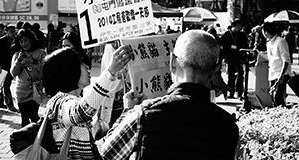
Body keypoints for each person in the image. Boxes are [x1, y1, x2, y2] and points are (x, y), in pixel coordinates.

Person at [98, 30, 239, 160]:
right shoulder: (229, 127)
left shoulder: (144, 115)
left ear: (172, 62)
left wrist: (127, 111)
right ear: (213, 71)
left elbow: (105, 155)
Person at [43, 46, 132, 159]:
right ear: (68, 70)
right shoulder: (58, 103)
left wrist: (128, 110)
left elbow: (94, 150)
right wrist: (110, 72)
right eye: (80, 63)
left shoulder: (72, 101)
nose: (87, 67)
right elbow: (81, 112)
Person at [10, 28, 46, 127]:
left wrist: (34, 62)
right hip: (21, 91)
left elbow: (45, 71)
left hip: (35, 91)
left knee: (33, 116)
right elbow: (13, 73)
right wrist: (19, 62)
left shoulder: (41, 53)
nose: (23, 44)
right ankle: (25, 141)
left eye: (25, 40)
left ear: (31, 40)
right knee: (24, 118)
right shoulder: (17, 55)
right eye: (21, 41)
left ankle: (38, 138)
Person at [262, 22, 292, 107]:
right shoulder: (268, 43)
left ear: (265, 32)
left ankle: (282, 114)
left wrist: (281, 76)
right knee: (272, 97)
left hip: (281, 72)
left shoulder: (281, 41)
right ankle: (277, 115)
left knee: (277, 97)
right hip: (273, 72)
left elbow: (286, 60)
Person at [220, 19, 248, 98]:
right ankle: (230, 92)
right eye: (238, 26)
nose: (239, 28)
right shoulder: (227, 34)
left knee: (240, 74)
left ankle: (239, 92)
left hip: (239, 57)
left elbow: (245, 45)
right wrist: (224, 57)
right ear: (233, 26)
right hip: (230, 57)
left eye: (240, 26)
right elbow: (223, 45)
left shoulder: (242, 34)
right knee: (231, 75)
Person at [0, 24, 18, 111]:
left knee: (6, 85)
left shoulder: (16, 41)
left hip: (11, 66)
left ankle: (4, 103)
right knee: (5, 86)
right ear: (6, 32)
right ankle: (9, 105)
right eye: (11, 32)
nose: (13, 33)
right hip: (3, 67)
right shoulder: (1, 41)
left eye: (14, 31)